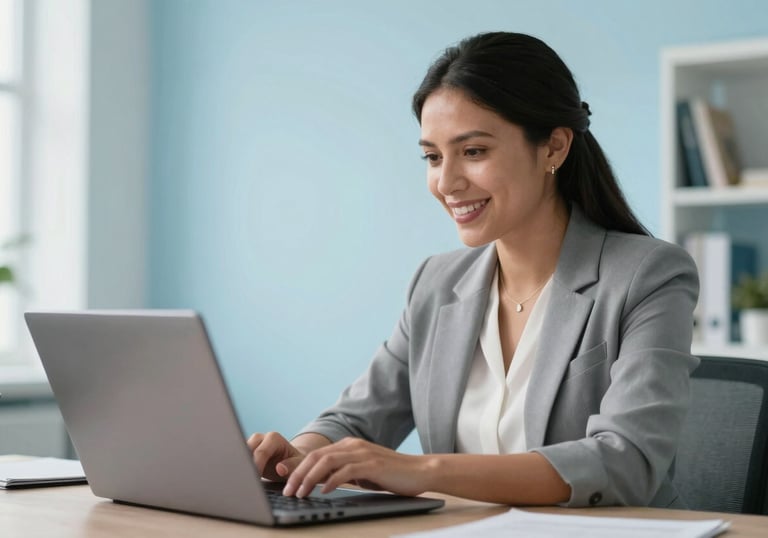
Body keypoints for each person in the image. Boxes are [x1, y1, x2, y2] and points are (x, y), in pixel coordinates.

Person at [247, 31, 699, 508]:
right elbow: (356, 422)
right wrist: (297, 457)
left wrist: (420, 471)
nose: (447, 182)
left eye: (474, 151)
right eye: (432, 156)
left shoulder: (650, 275)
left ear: (554, 148)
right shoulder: (437, 283)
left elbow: (624, 461)